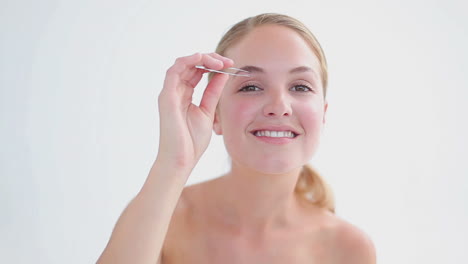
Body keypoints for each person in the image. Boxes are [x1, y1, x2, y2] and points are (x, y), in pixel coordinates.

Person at [97, 13, 376, 264]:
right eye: (251, 86)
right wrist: (174, 163)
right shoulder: (163, 218)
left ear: (323, 114)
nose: (279, 106)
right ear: (215, 113)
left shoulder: (348, 249)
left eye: (300, 86)